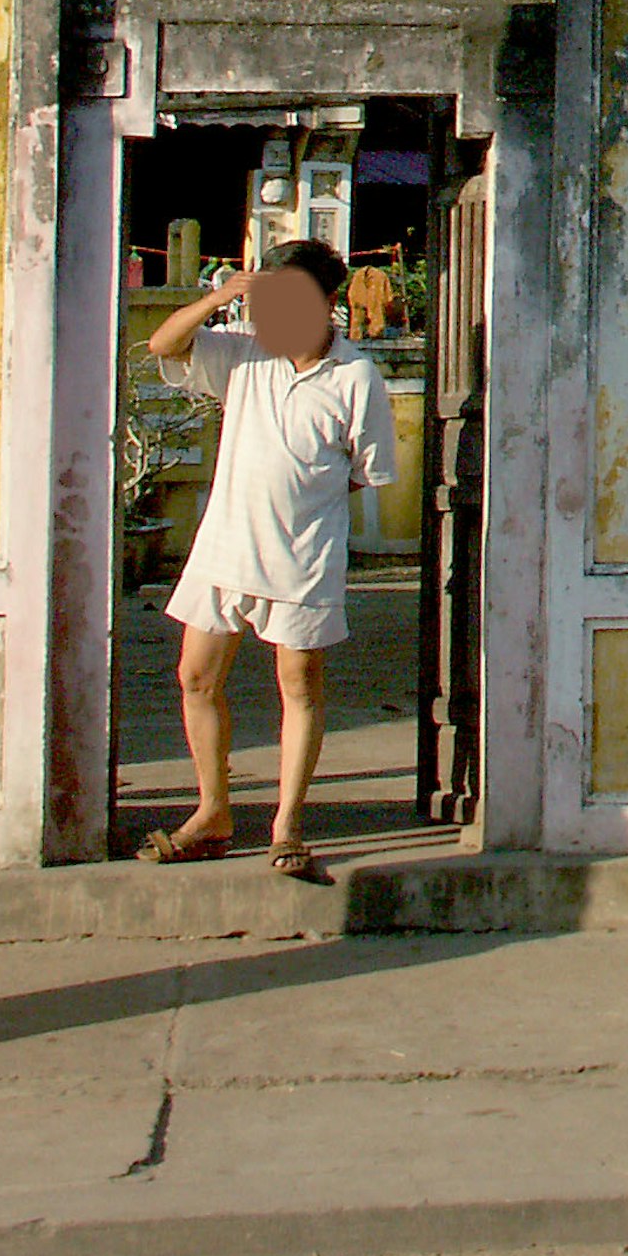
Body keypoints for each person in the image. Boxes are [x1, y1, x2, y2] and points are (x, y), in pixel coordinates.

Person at [136, 238, 396, 879]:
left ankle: (287, 826)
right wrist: (219, 297)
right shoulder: (245, 354)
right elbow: (163, 347)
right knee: (196, 680)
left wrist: (303, 499)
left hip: (303, 561)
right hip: (225, 548)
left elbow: (367, 471)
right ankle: (213, 811)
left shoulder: (356, 376)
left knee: (298, 688)